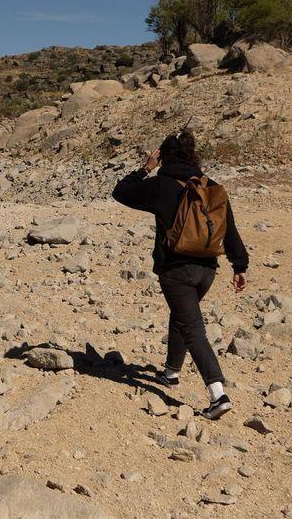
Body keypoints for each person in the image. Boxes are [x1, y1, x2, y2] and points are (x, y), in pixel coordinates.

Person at [112, 129, 248, 420]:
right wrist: (240, 266)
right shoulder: (211, 187)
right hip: (208, 269)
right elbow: (230, 230)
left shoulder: (161, 185)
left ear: (164, 155)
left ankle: (218, 393)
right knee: (183, 315)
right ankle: (171, 372)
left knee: (193, 328)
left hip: (177, 271)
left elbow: (120, 192)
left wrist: (146, 167)